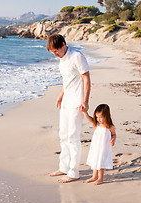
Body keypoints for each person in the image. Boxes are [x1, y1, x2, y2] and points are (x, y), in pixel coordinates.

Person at [46, 34, 91, 183]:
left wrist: (85, 101)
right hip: (66, 101)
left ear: (64, 44)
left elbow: (86, 78)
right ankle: (64, 167)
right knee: (63, 135)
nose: (55, 54)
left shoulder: (77, 56)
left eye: (56, 51)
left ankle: (74, 172)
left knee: (73, 137)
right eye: (53, 52)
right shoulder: (62, 60)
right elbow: (68, 80)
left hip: (77, 103)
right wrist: (60, 95)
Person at [83, 104, 116, 185]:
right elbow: (89, 118)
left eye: (100, 117)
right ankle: (94, 176)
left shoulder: (110, 126)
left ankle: (100, 178)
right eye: (97, 117)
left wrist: (113, 140)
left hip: (103, 147)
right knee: (95, 160)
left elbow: (114, 135)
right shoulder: (97, 124)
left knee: (100, 162)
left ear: (106, 116)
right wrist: (85, 113)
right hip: (95, 146)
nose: (98, 119)